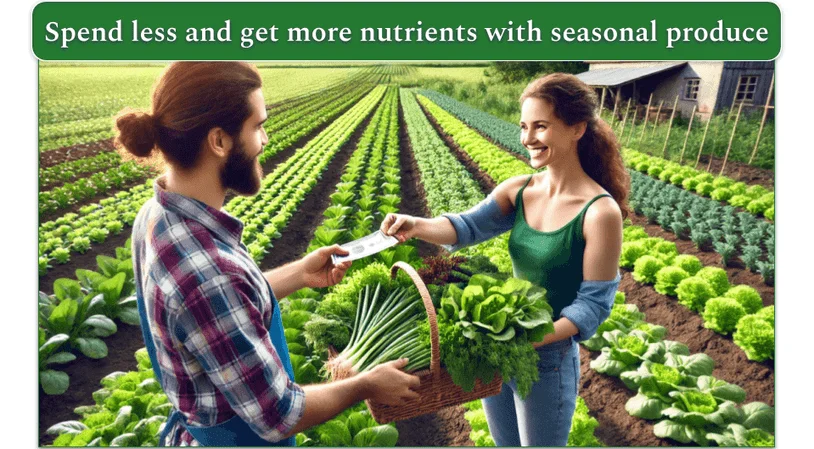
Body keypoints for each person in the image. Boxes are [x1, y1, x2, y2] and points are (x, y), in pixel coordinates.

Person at [118, 62, 420, 447]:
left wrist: (299, 274)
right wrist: (365, 385)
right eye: (257, 125)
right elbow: (281, 414)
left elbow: (218, 317)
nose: (265, 138)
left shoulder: (158, 214)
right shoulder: (210, 274)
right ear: (219, 141)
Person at [381, 73, 629, 446]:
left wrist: (526, 341)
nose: (527, 139)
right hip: (501, 350)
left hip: (547, 360)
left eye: (540, 126)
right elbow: (465, 227)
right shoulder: (520, 190)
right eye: (524, 126)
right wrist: (416, 225)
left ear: (577, 129)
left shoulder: (600, 212)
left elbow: (591, 307)